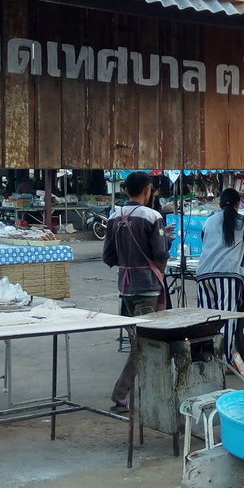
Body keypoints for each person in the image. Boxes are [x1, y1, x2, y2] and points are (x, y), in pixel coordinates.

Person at [103, 171, 169, 412]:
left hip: (125, 286)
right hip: (147, 286)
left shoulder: (113, 216)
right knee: (144, 343)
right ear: (147, 190)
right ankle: (121, 394)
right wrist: (165, 242)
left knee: (138, 340)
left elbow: (108, 257)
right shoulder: (152, 216)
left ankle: (150, 388)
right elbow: (160, 254)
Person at [195, 188, 244, 360]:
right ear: (238, 204)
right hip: (228, 274)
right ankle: (225, 360)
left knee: (207, 319)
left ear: (219, 203)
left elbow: (205, 241)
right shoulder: (242, 221)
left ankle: (207, 357)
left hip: (204, 273)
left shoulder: (208, 221)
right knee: (227, 317)